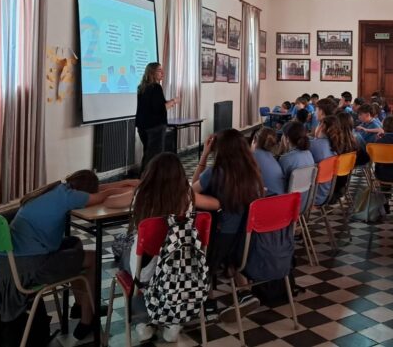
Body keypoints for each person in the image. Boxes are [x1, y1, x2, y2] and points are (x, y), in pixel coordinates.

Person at [0, 170, 134, 339]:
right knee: (93, 258)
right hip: (29, 267)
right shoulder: (69, 197)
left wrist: (125, 182)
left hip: (9, 264)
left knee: (75, 244)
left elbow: (100, 191)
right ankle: (87, 321)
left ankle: (81, 304)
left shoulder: (54, 191)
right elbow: (102, 197)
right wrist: (121, 187)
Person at [122, 153, 218, 342]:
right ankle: (173, 323)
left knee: (125, 259)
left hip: (147, 270)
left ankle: (142, 322)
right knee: (153, 271)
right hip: (182, 269)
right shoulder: (188, 195)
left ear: (150, 174)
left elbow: (113, 203)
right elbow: (215, 204)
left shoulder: (142, 194)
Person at [192, 129, 265, 322]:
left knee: (204, 259)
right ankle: (244, 293)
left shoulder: (214, 173)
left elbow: (190, 191)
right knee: (230, 256)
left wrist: (204, 155)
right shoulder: (252, 171)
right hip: (245, 237)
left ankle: (209, 301)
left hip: (219, 237)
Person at [135, 62, 180, 173]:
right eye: (159, 70)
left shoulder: (141, 88)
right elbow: (160, 108)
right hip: (154, 127)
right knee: (154, 157)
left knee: (148, 154)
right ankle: (149, 182)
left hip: (142, 127)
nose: (162, 73)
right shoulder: (156, 87)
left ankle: (144, 180)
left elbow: (154, 106)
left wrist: (170, 103)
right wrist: (174, 101)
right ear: (152, 73)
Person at [310, 116, 344, 204]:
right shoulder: (335, 143)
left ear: (322, 127)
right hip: (326, 193)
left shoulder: (313, 144)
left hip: (312, 196)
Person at [252, 128, 286, 196]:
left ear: (254, 140)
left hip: (266, 201)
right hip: (280, 200)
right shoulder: (271, 157)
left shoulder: (253, 156)